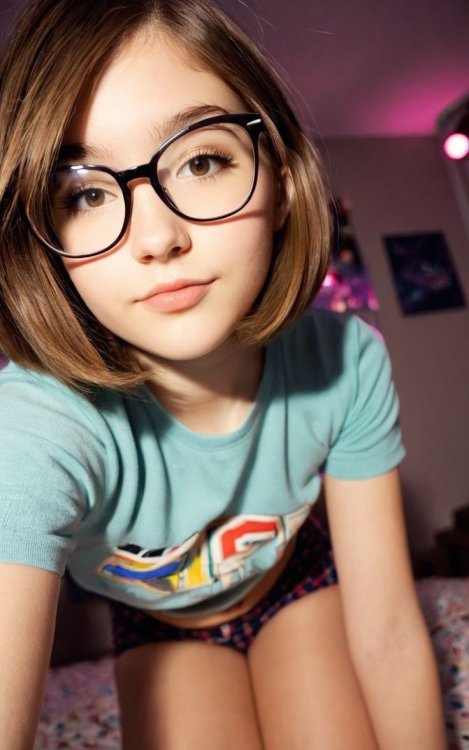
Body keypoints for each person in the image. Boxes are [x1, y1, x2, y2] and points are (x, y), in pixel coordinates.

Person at [0, 0, 446, 748]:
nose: (157, 237)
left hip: (296, 581)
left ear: (279, 175)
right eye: (86, 193)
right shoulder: (37, 427)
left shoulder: (348, 360)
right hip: (157, 624)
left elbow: (390, 633)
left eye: (201, 161)